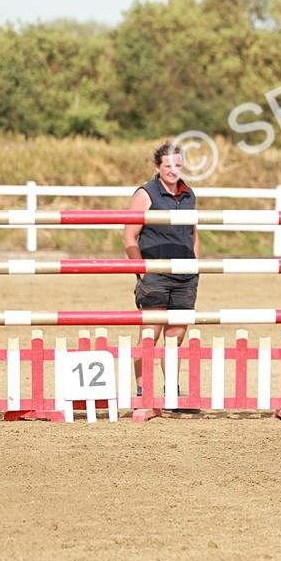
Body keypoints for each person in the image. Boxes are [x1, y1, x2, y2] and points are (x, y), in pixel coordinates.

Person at [122, 143, 199, 397]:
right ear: (158, 167)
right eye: (168, 165)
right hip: (155, 272)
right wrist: (141, 270)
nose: (173, 170)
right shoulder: (145, 193)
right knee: (149, 336)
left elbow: (193, 233)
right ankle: (144, 392)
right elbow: (129, 237)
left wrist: (197, 264)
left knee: (175, 339)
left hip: (185, 275)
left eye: (178, 165)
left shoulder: (189, 194)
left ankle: (172, 393)